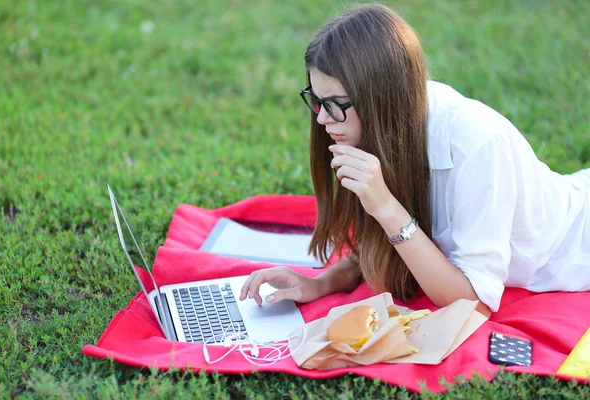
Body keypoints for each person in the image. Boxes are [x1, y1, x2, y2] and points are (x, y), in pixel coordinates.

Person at [239, 3, 590, 316]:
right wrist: (318, 284)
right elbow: (375, 245)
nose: (321, 119)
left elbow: (474, 304)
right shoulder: (387, 124)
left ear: (380, 97)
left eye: (335, 104)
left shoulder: (478, 143)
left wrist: (388, 209)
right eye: (316, 100)